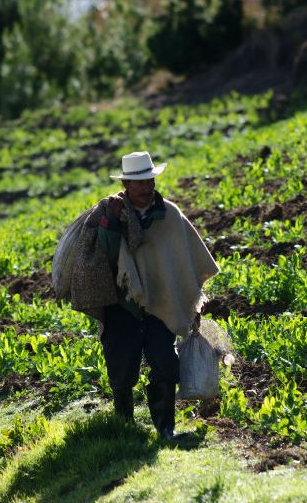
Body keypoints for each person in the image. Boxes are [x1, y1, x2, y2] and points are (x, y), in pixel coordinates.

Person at [94, 150, 219, 439]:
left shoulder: (170, 215)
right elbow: (107, 258)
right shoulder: (109, 214)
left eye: (149, 180)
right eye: (139, 183)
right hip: (121, 307)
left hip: (160, 306)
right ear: (126, 184)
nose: (146, 187)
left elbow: (185, 260)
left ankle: (165, 429)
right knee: (121, 372)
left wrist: (189, 299)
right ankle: (124, 428)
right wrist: (110, 225)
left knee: (165, 365)